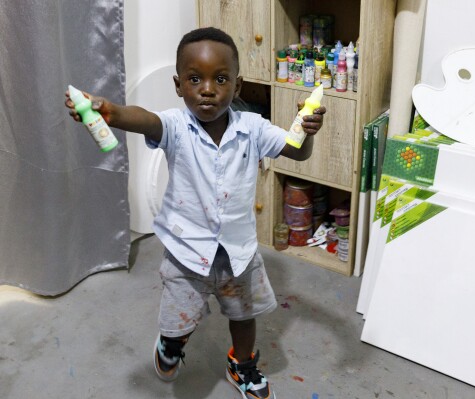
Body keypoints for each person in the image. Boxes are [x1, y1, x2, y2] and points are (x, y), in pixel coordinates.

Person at [65, 27, 326, 399]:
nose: (207, 89)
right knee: (177, 320)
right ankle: (170, 345)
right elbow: (145, 119)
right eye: (194, 78)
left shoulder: (252, 129)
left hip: (238, 252)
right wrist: (112, 112)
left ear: (237, 87)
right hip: (186, 252)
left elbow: (296, 151)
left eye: (220, 79)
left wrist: (308, 132)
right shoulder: (175, 126)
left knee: (243, 315)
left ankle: (242, 364)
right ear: (178, 85)